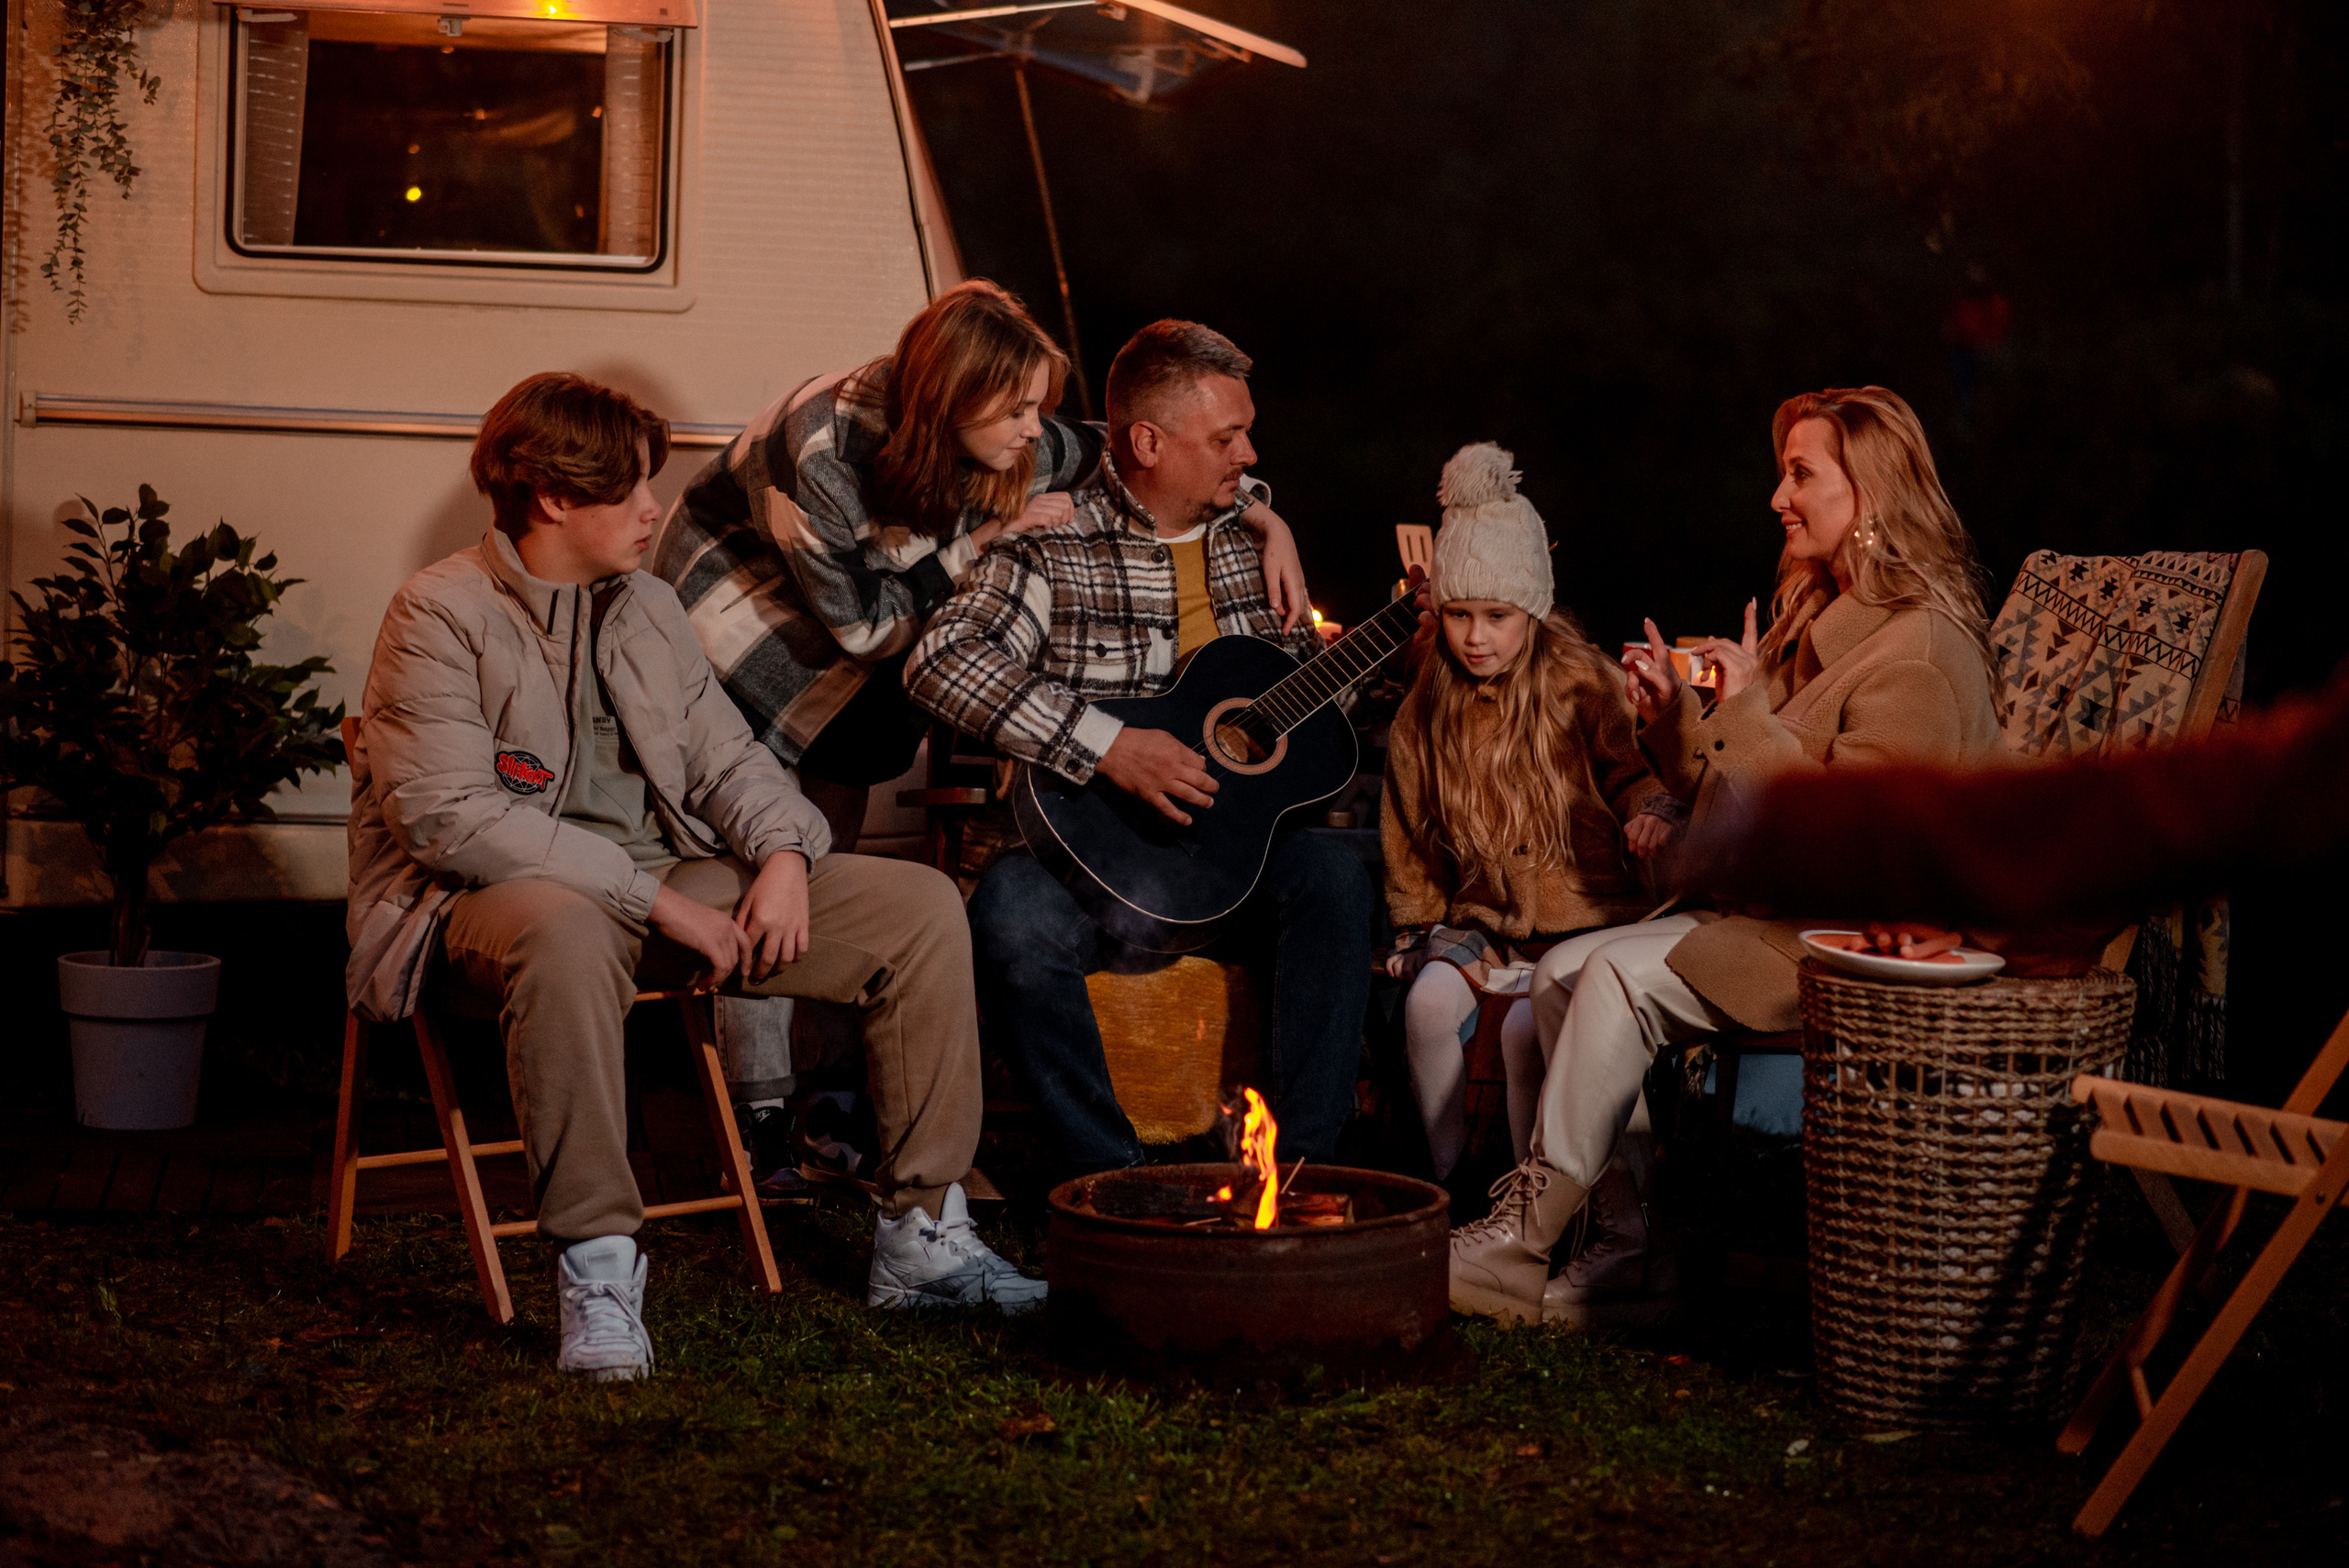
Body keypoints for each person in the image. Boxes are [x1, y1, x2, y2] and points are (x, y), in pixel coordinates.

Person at [345, 373, 1042, 1383]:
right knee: (570, 929)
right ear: (549, 497)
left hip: (662, 882)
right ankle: (598, 1262)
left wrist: (788, 856)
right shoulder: (441, 612)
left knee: (919, 906)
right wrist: (660, 900)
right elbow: (456, 820)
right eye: (629, 490)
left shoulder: (649, 606)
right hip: (486, 905)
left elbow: (727, 759)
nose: (653, 511)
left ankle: (923, 1234)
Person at [653, 281, 1307, 1188]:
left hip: (867, 655)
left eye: (1038, 404)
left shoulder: (1004, 425)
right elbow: (865, 628)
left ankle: (828, 1106)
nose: (1034, 432)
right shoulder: (820, 448)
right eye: (1016, 412)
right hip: (742, 635)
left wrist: (1262, 515)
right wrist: (987, 536)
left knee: (831, 869)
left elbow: (1138, 457)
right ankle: (760, 1131)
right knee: (766, 860)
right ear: (946, 404)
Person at [1449, 385, 2003, 1326]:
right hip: (1772, 916)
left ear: (1869, 492)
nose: (1776, 497)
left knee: (1614, 975)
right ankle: (1630, 1252)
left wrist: (1741, 714)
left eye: (1801, 474)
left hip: (1858, 938)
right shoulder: (1818, 618)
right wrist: (1677, 724)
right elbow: (1743, 798)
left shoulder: (1914, 652)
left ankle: (1520, 1239)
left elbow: (1851, 847)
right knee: (1560, 975)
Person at [905, 320, 1375, 1177]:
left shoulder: (1249, 543)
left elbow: (1310, 705)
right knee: (1009, 916)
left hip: (1234, 858)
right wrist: (1110, 746)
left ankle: (1305, 1173)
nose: (1249, 452)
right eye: (1227, 437)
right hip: (1096, 868)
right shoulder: (1054, 545)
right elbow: (941, 662)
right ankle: (1111, 1184)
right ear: (1148, 442)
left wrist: (1365, 655)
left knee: (1337, 875)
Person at [1380, 441, 1678, 1188]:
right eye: (1458, 615)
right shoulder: (1430, 704)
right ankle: (1454, 1182)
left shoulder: (1582, 682)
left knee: (1523, 1034)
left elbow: (1631, 775)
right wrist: (1416, 925)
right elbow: (1409, 818)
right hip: (1487, 919)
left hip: (1584, 915)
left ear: (1533, 610)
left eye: (1496, 616)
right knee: (1425, 1005)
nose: (1476, 637)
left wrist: (1653, 812)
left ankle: (1532, 1192)